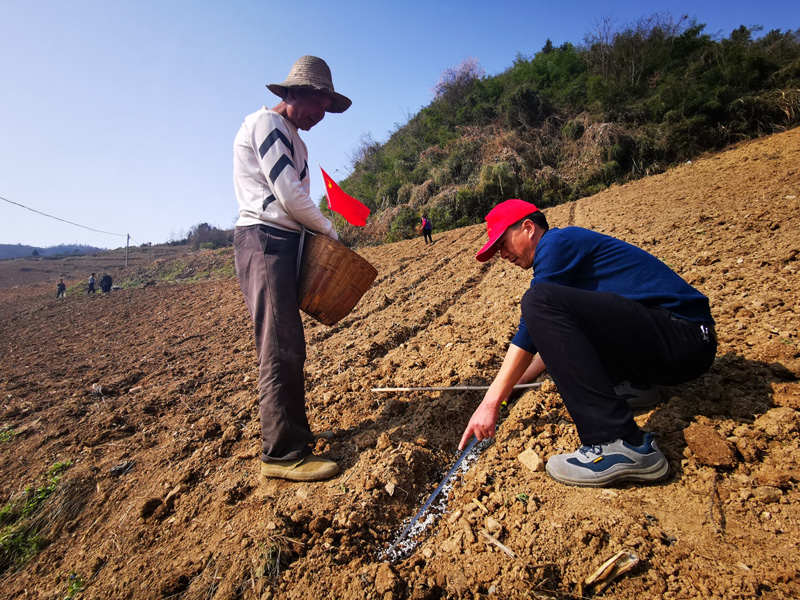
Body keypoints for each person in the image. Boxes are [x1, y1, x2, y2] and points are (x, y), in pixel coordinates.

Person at [459, 199, 717, 487]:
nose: (502, 254)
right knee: (546, 305)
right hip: (674, 345)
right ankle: (636, 387)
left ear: (528, 228)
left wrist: (491, 401)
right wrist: (516, 384)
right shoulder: (563, 260)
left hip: (686, 337)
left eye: (502, 244)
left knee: (538, 300)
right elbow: (556, 339)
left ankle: (618, 441)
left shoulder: (557, 243)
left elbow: (531, 329)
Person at [233, 55, 351, 482]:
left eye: (325, 109)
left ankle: (294, 435)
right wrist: (329, 231)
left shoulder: (296, 140)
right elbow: (287, 196)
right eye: (316, 105)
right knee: (278, 344)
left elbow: (299, 200)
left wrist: (315, 233)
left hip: (285, 243)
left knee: (289, 343)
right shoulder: (266, 124)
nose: (320, 116)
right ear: (291, 93)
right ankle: (281, 455)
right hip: (263, 240)